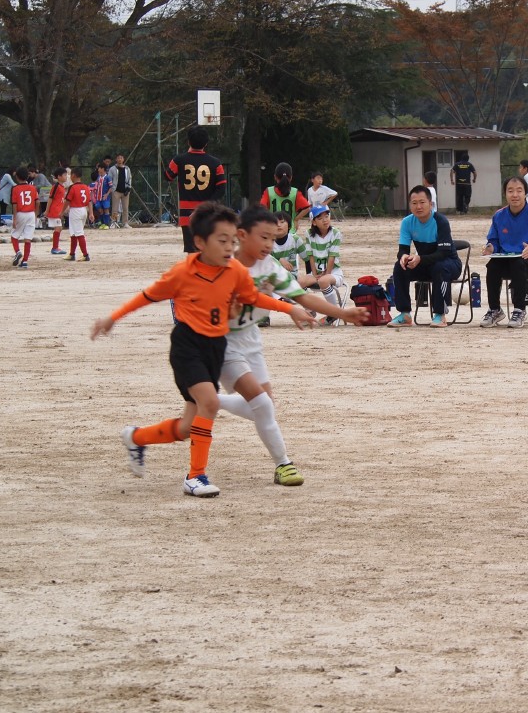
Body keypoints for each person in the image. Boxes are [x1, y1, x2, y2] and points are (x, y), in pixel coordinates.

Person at [91, 203, 316, 498]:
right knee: (209, 403)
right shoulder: (182, 273)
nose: (229, 248)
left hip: (217, 347)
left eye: (232, 241)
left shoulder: (234, 270)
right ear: (199, 242)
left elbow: (254, 298)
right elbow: (146, 296)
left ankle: (136, 437)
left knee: (188, 427)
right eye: (222, 241)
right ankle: (195, 476)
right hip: (188, 347)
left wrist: (290, 309)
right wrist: (113, 317)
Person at [216, 207, 366, 486]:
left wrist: (342, 313)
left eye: (272, 239)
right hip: (222, 342)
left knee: (265, 407)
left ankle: (212, 402)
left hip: (250, 338)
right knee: (262, 406)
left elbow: (302, 297)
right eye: (263, 237)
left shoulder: (269, 266)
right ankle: (283, 464)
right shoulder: (223, 264)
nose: (268, 245)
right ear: (242, 235)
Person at [481, 176, 528, 328]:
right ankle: (495, 309)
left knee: (518, 262)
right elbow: (494, 241)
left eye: (519, 191)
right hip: (506, 261)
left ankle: (519, 310)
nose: (515, 195)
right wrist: (490, 248)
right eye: (510, 191)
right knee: (492, 265)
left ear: (526, 193)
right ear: (505, 194)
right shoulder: (499, 215)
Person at [387, 185, 463, 327]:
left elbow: (443, 253)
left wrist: (420, 259)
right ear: (410, 205)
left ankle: (440, 314)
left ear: (431, 204)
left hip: (449, 262)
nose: (418, 207)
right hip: (425, 263)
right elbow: (402, 249)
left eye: (422, 202)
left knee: (439, 268)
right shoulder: (407, 222)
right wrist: (403, 257)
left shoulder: (440, 221)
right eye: (414, 203)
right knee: (400, 267)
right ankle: (405, 314)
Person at [164, 125, 227, 253]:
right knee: (207, 249)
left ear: (188, 142)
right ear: (206, 143)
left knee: (192, 251)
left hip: (187, 214)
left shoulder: (179, 160)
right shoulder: (216, 163)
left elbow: (168, 176)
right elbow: (221, 189)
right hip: (207, 212)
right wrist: (206, 205)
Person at [304, 204, 345, 321]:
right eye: (320, 218)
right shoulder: (309, 234)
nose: (325, 220)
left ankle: (333, 313)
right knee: (299, 282)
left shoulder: (335, 233)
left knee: (323, 281)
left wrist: (326, 273)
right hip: (317, 273)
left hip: (333, 272)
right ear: (314, 222)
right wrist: (314, 273)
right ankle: (310, 311)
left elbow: (332, 256)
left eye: (326, 216)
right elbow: (310, 255)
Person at [259, 162, 310, 228]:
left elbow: (262, 207)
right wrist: (296, 219)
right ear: (291, 178)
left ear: (275, 177)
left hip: (273, 228)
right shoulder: (295, 192)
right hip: (290, 229)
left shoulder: (268, 191)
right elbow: (307, 208)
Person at [9, 167, 38, 269]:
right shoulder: (33, 188)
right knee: (28, 238)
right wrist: (36, 214)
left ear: (17, 177)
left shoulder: (15, 188)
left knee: (14, 235)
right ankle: (25, 261)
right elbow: (37, 202)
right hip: (31, 214)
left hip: (21, 213)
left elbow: (15, 204)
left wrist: (14, 218)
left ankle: (18, 251)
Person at [64, 167, 93, 261]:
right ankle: (72, 254)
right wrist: (91, 213)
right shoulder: (85, 187)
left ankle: (85, 254)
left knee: (79, 233)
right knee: (73, 233)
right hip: (84, 210)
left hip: (75, 210)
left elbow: (67, 201)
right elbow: (89, 201)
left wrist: (61, 211)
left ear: (73, 175)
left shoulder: (72, 187)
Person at [46, 166, 69, 255]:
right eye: (64, 175)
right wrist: (47, 210)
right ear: (59, 176)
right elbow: (50, 198)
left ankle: (55, 247)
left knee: (59, 228)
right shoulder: (56, 186)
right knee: (58, 228)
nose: (66, 177)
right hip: (55, 210)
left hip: (58, 210)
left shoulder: (62, 187)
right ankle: (55, 248)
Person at [109, 154, 132, 229]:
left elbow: (129, 178)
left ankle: (125, 223)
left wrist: (129, 188)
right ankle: (114, 222)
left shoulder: (127, 169)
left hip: (125, 191)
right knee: (115, 208)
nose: (119, 159)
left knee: (125, 208)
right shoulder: (112, 169)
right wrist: (112, 188)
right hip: (116, 191)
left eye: (121, 158)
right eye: (118, 158)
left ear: (123, 159)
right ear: (116, 159)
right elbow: (109, 179)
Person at [91, 163, 112, 229]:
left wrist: (107, 194)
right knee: (100, 209)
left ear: (103, 169)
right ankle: (102, 223)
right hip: (98, 197)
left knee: (106, 209)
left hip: (105, 197)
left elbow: (111, 187)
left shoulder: (107, 177)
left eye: (99, 168)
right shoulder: (98, 177)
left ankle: (107, 224)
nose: (98, 170)